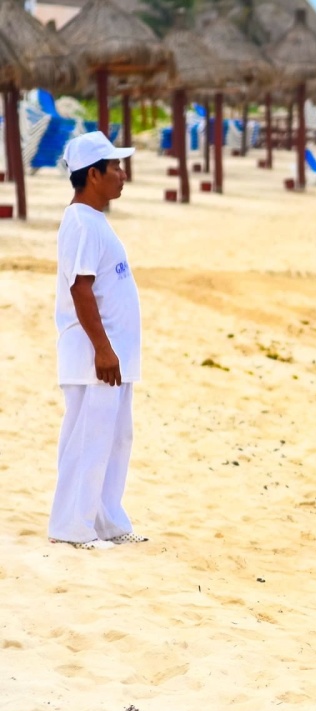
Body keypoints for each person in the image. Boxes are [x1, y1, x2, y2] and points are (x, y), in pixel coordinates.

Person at [49, 131, 148, 550]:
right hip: (94, 356)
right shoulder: (80, 223)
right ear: (93, 175)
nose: (123, 175)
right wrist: (104, 350)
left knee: (115, 437)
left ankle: (106, 520)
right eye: (115, 167)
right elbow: (80, 289)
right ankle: (73, 527)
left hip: (113, 357)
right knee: (89, 437)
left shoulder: (94, 220)